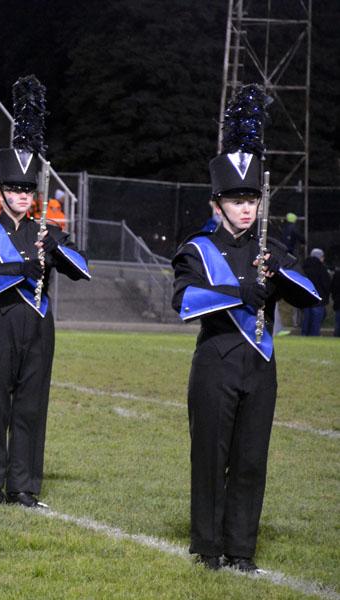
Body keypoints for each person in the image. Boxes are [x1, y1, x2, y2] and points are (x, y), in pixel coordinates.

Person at [171, 84, 321, 572]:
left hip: (260, 367)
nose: (245, 207)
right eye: (235, 199)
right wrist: (240, 294)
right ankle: (209, 548)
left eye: (251, 198)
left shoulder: (270, 249)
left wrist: (278, 274)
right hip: (215, 362)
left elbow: (308, 292)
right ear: (217, 203)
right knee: (212, 461)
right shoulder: (197, 248)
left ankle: (241, 549)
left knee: (252, 461)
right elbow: (185, 300)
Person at [0, 76, 90, 509]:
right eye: (14, 188)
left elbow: (80, 269)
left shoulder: (46, 231)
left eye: (27, 189)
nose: (20, 195)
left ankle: (24, 485)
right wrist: (22, 267)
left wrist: (55, 247)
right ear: (1, 191)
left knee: (31, 407)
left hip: (38, 326)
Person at [300, 248, 330, 336]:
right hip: (318, 300)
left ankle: (303, 338)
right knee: (315, 325)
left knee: (305, 323)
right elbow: (326, 284)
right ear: (320, 257)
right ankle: (314, 338)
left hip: (305, 299)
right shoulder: (321, 268)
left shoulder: (304, 267)